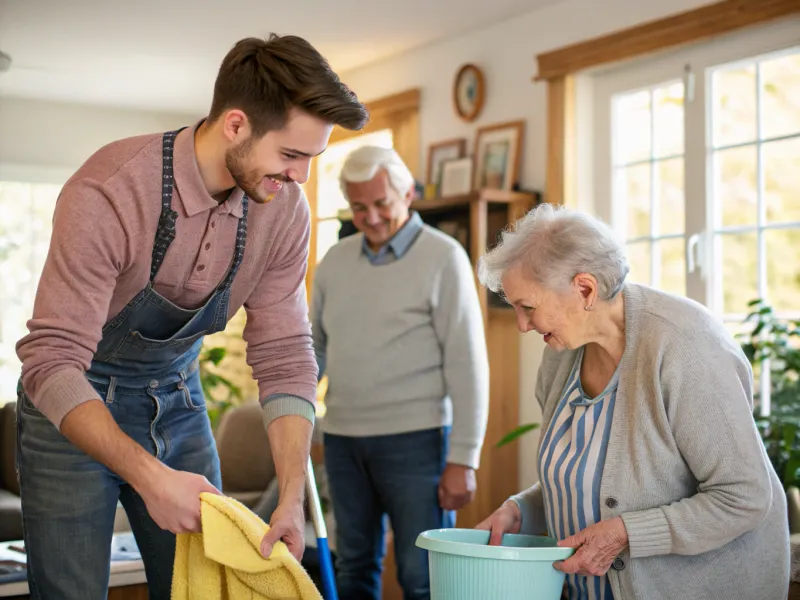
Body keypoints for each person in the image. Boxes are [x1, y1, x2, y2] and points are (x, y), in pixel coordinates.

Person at [14, 34, 368, 600]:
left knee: (204, 589)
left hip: (177, 401)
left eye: (312, 159)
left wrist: (291, 495)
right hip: (72, 413)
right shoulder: (110, 191)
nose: (301, 177)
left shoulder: (283, 212)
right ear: (235, 125)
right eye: (291, 155)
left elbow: (283, 353)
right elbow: (52, 361)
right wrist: (151, 477)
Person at [474, 203, 790, 600]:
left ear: (585, 289)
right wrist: (523, 511)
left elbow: (744, 496)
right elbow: (593, 475)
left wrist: (625, 533)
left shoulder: (685, 347)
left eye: (528, 308)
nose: (522, 325)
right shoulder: (560, 354)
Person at [310, 145, 490, 600]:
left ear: (407, 194)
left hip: (418, 442)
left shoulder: (444, 258)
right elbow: (313, 351)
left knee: (423, 577)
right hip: (344, 442)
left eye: (381, 203)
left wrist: (463, 458)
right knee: (352, 568)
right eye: (358, 206)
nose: (369, 217)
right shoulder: (334, 262)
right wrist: (303, 424)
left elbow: (467, 363)